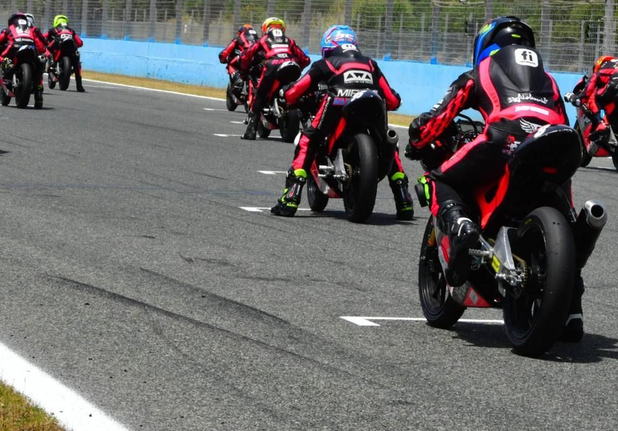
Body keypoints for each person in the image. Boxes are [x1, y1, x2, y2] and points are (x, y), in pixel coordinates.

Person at [406, 17, 570, 287]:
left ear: (486, 45)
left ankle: (460, 226)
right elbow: (565, 125)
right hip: (554, 144)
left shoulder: (481, 69)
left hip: (504, 138)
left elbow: (438, 118)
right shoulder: (549, 79)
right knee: (563, 192)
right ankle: (575, 240)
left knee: (437, 179)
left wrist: (416, 140)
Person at [270, 25, 409, 217]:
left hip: (337, 100)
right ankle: (404, 200)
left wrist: (286, 94)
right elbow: (392, 101)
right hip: (373, 101)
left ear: (328, 45)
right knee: (388, 144)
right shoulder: (370, 63)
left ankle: (290, 199)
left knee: (308, 140)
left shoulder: (325, 63)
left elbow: (295, 91)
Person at [238, 17, 310, 140]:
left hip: (272, 66)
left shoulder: (262, 40)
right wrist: (298, 68)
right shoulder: (289, 40)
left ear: (265, 29)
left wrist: (244, 70)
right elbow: (305, 59)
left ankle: (251, 131)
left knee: (259, 95)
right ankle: (307, 125)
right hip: (292, 65)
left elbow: (246, 56)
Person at [568, 54, 618, 152]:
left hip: (616, 84)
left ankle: (601, 124)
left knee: (593, 97)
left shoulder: (603, 70)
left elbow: (589, 88)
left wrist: (580, 99)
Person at [0, 11, 46, 89]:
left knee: (1, 57)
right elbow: (40, 45)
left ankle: (8, 70)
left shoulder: (9, 29)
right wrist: (42, 50)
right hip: (31, 48)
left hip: (15, 46)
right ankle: (38, 83)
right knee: (40, 60)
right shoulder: (31, 29)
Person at [47, 14, 85, 92]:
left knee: (48, 49)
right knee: (77, 63)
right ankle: (79, 85)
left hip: (59, 46)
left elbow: (43, 37)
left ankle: (51, 67)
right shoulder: (71, 30)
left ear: (56, 22)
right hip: (71, 48)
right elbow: (80, 43)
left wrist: (46, 42)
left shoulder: (53, 30)